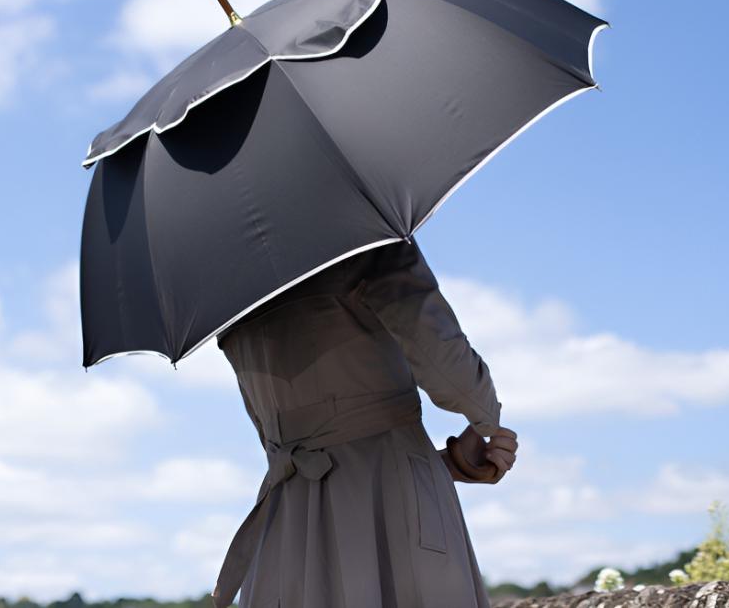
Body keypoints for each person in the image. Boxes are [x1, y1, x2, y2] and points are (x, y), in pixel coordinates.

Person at [210, 235, 518, 608]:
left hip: (289, 517)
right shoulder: (361, 235)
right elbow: (449, 370)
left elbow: (285, 437)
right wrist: (487, 421)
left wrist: (446, 462)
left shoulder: (219, 286)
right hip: (392, 501)